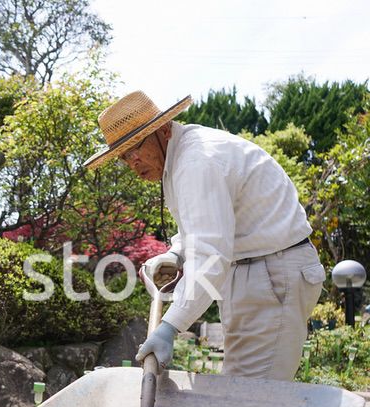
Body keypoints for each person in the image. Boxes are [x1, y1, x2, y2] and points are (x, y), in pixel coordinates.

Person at [83, 91, 325, 381]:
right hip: (254, 271)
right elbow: (205, 227)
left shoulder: (196, 162)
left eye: (137, 146)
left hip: (272, 275)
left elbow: (210, 253)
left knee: (252, 398)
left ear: (162, 129)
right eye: (123, 156)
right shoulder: (180, 159)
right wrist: (176, 253)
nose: (132, 160)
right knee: (240, 389)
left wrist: (170, 326)